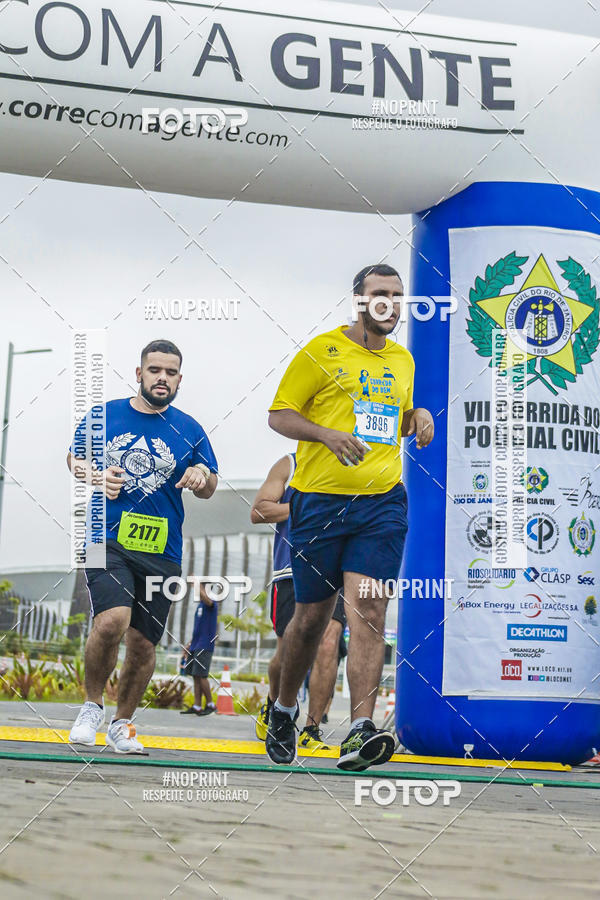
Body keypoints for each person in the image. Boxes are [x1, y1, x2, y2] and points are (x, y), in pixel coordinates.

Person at [265, 264, 434, 771]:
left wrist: (418, 417)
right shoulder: (321, 350)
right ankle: (283, 710)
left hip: (382, 502)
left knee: (369, 611)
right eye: (379, 294)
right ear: (359, 301)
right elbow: (279, 414)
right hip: (318, 503)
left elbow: (391, 420)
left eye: (398, 295)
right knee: (312, 620)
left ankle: (361, 728)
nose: (390, 303)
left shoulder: (402, 361)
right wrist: (325, 435)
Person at [68, 339, 218, 753]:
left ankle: (122, 723)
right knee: (112, 621)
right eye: (155, 370)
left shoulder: (189, 429)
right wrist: (95, 476)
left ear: (179, 380)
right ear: (139, 374)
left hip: (161, 549)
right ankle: (91, 706)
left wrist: (201, 475)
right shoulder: (105, 415)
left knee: (142, 643)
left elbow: (209, 485)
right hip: (104, 538)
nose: (162, 378)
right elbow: (74, 459)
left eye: (170, 373)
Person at [250, 453, 346, 751]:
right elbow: (258, 512)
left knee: (329, 643)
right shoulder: (289, 464)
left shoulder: (353, 466)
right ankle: (275, 705)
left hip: (336, 570)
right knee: (290, 645)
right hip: (291, 569)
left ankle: (311, 729)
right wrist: (305, 508)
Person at [180, 583, 218, 716]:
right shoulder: (200, 606)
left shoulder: (211, 603)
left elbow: (207, 598)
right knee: (195, 675)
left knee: (202, 675)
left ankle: (210, 704)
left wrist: (196, 584)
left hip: (205, 645)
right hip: (196, 644)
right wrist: (189, 644)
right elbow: (198, 629)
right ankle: (197, 706)